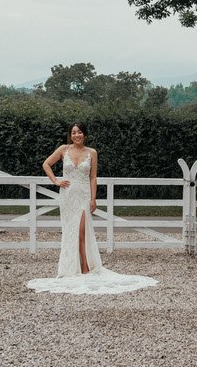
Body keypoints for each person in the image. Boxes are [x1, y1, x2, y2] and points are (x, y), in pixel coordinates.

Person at [26, 122, 157, 294]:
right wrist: (56, 181)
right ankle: (73, 268)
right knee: (70, 231)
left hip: (84, 196)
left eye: (79, 132)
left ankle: (85, 268)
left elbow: (93, 177)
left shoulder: (91, 152)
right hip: (67, 196)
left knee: (82, 231)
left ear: (85, 135)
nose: (76, 135)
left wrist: (93, 198)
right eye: (73, 133)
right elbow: (46, 164)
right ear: (70, 135)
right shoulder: (63, 149)